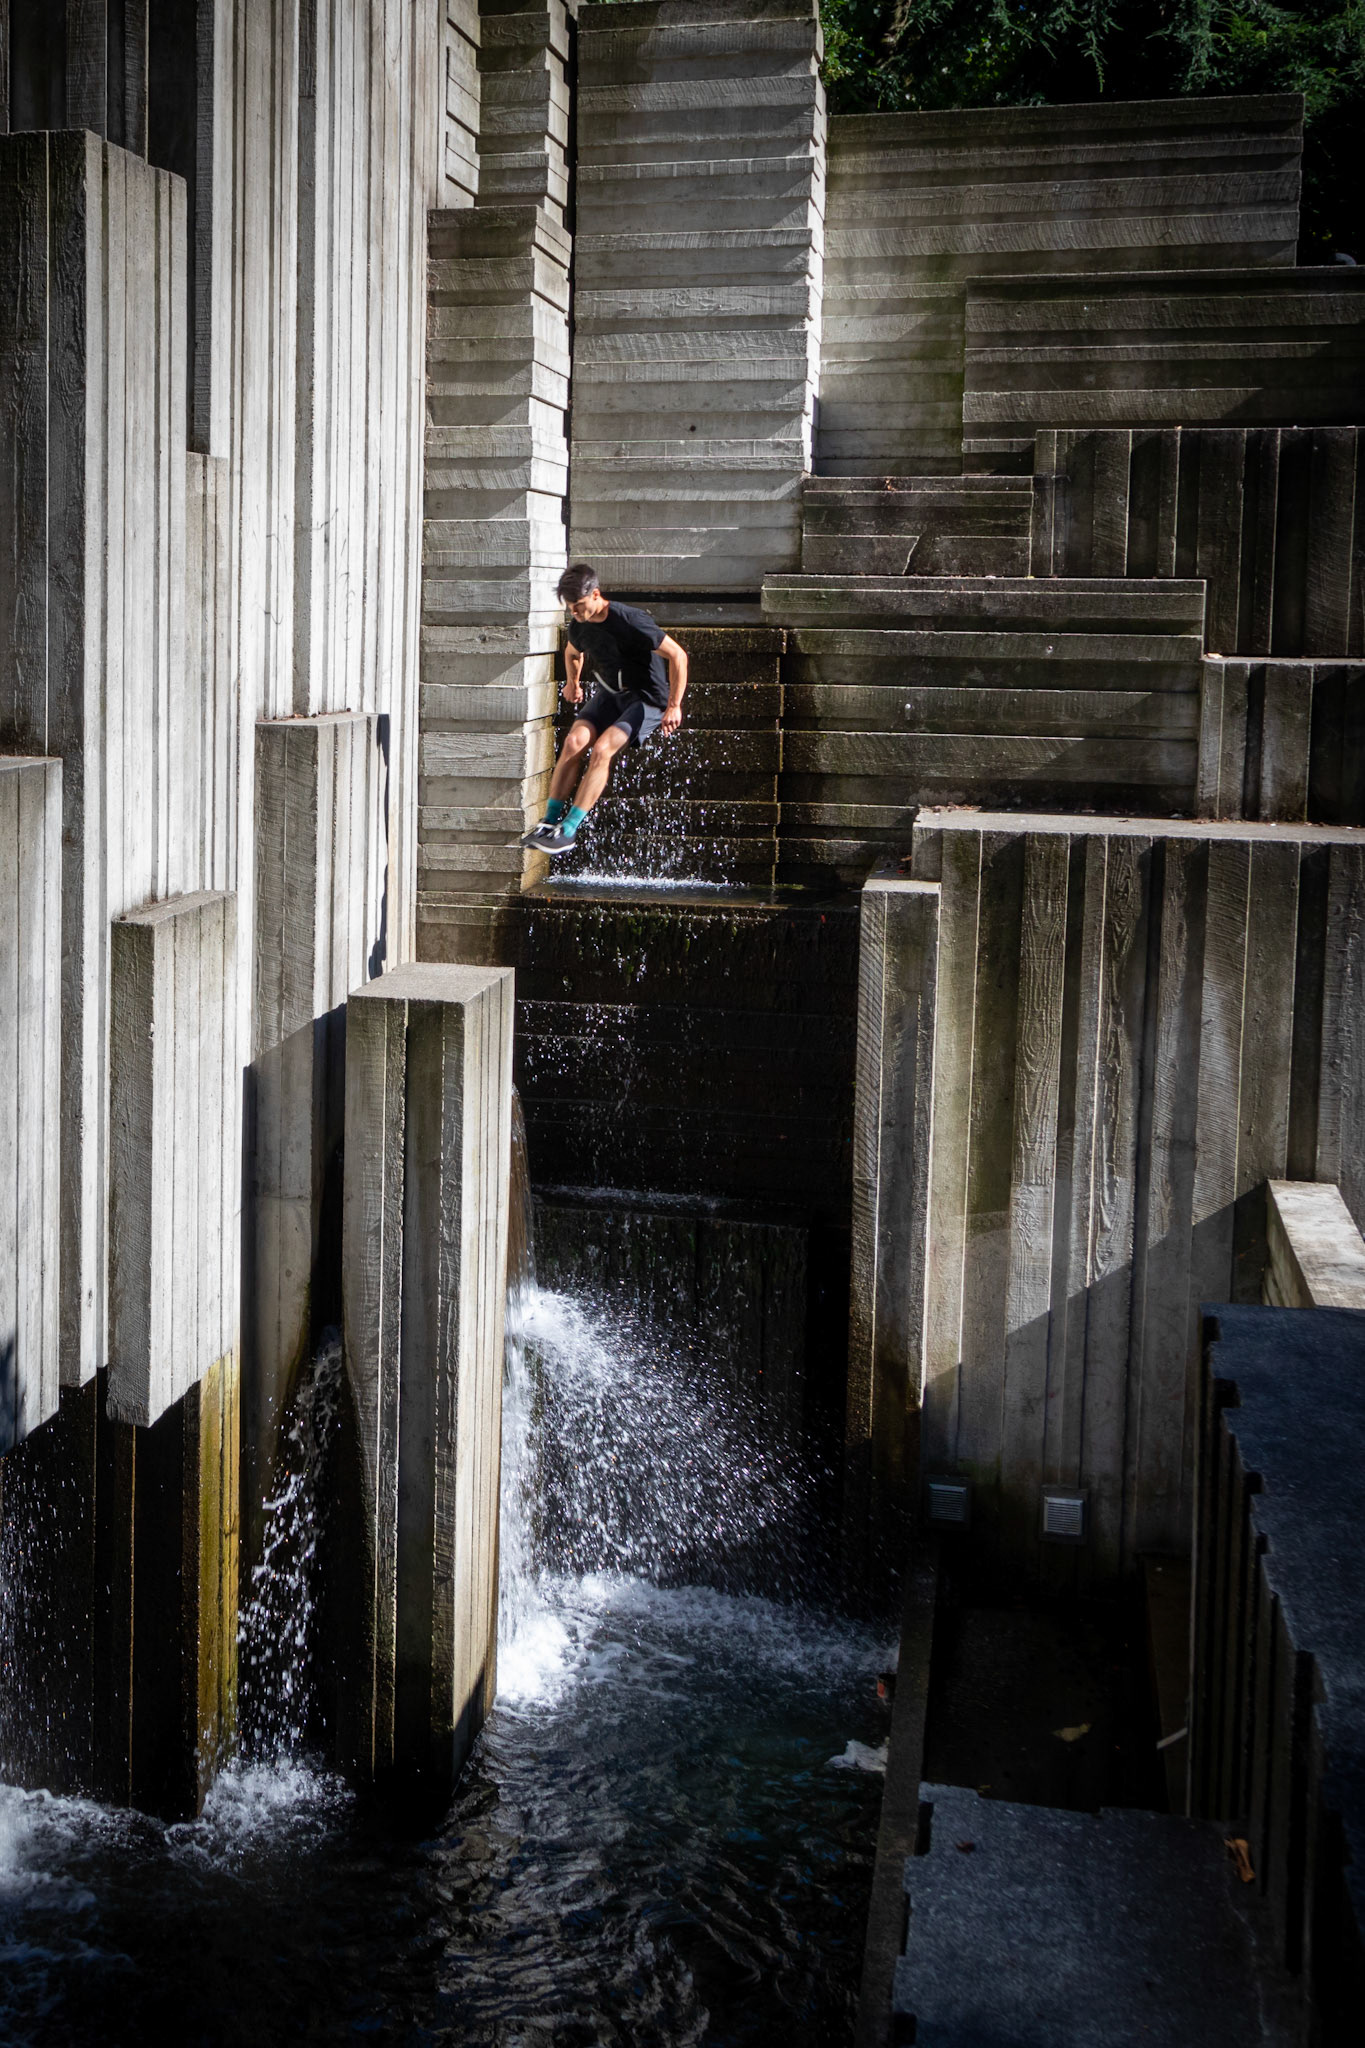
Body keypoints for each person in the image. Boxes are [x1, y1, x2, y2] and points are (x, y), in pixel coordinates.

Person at [520, 564, 689, 856]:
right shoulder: (579, 625)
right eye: (571, 608)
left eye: (580, 606)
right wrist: (573, 684)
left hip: (647, 699)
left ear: (596, 595)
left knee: (602, 749)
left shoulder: (631, 620)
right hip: (611, 695)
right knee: (573, 742)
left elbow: (678, 656)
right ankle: (549, 823)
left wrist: (674, 706)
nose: (575, 613)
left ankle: (569, 829)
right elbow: (573, 652)